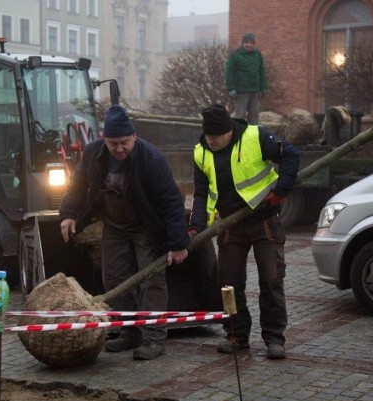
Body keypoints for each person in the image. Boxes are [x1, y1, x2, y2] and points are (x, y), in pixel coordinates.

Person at [59, 105, 189, 361]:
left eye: (124, 143)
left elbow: (172, 202)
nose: (119, 149)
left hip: (146, 228)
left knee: (151, 280)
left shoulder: (152, 159)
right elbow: (78, 184)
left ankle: (154, 337)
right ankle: (130, 333)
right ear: (103, 140)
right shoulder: (94, 153)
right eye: (113, 144)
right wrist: (69, 214)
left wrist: (178, 243)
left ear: (134, 136)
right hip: (114, 226)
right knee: (115, 280)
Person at [188, 105, 299, 360]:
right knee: (228, 284)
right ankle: (236, 334)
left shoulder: (256, 137)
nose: (211, 141)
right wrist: (196, 225)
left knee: (271, 280)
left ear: (230, 132)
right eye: (207, 136)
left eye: (216, 136)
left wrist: (281, 191)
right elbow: (201, 193)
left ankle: (274, 338)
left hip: (265, 220)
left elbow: (291, 155)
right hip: (230, 224)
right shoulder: (201, 153)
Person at [225, 32, 268, 125]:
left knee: (254, 116)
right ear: (243, 43)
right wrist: (231, 88)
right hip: (241, 91)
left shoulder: (257, 54)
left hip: (255, 90)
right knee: (240, 116)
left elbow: (261, 71)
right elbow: (229, 72)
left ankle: (253, 136)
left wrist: (263, 86)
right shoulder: (235, 55)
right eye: (246, 42)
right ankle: (238, 136)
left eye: (251, 43)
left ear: (253, 43)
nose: (249, 45)